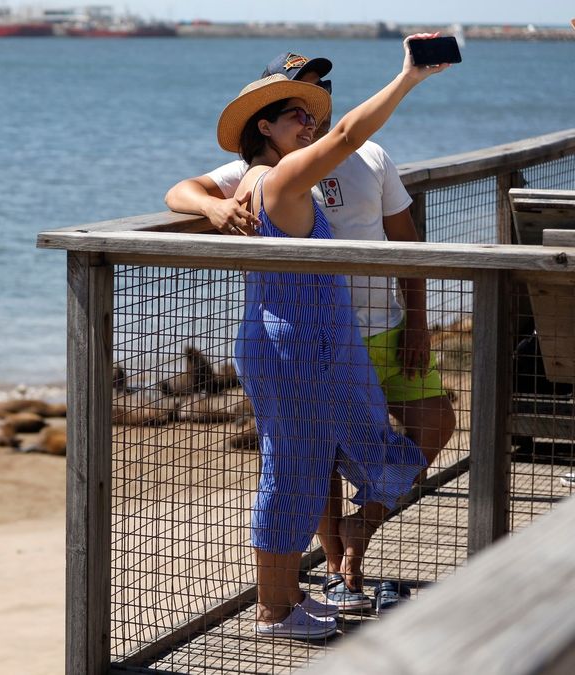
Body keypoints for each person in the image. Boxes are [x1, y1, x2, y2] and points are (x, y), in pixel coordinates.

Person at [168, 51, 456, 614]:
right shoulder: (277, 179)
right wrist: (408, 77)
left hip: (316, 344)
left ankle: (299, 587)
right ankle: (281, 605)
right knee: (294, 474)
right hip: (299, 347)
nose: (311, 119)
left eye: (314, 108)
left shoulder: (265, 177)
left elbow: (353, 153)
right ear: (264, 127)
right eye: (296, 112)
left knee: (311, 466)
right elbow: (347, 133)